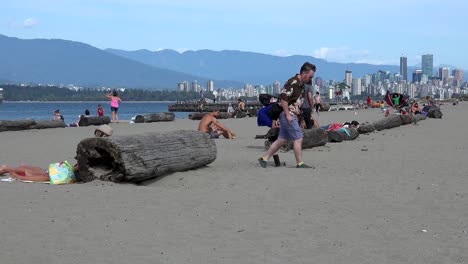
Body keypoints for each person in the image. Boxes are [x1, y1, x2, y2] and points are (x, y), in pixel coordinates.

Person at [258, 62, 316, 168]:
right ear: (304, 73)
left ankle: (264, 159)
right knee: (299, 137)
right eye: (310, 76)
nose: (311, 79)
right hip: (288, 115)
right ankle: (300, 163)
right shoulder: (293, 83)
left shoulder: (301, 84)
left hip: (291, 115)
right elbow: (284, 99)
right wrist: (288, 114)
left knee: (282, 139)